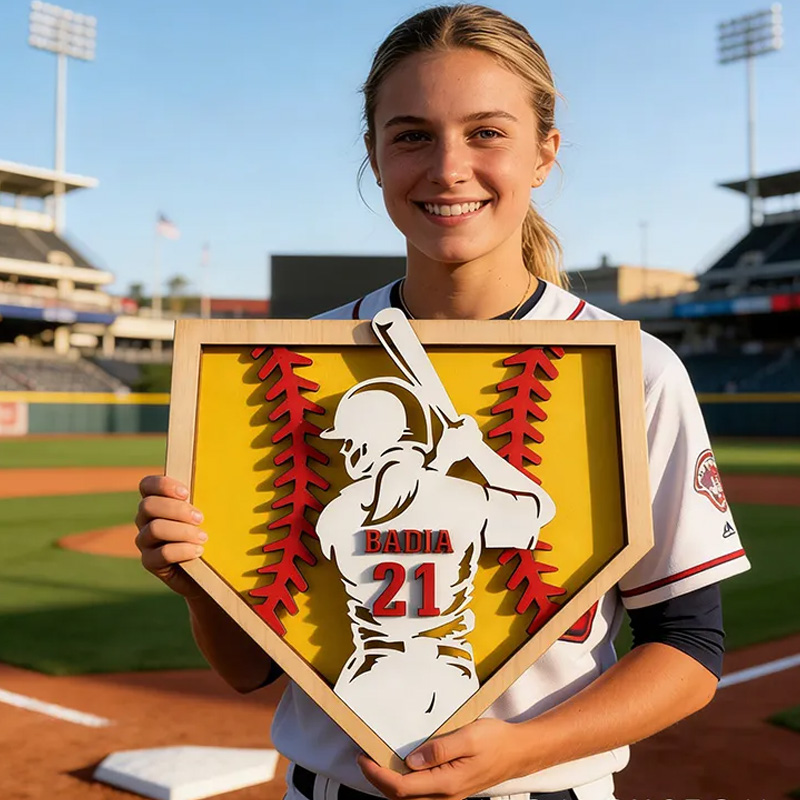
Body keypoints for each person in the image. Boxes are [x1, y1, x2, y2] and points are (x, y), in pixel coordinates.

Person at [135, 5, 750, 800]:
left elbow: (690, 647)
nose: (449, 168)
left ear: (544, 153)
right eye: (413, 134)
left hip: (544, 788)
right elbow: (250, 667)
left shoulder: (635, 371)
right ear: (375, 154)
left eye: (487, 132)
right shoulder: (283, 365)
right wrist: (198, 582)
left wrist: (525, 749)